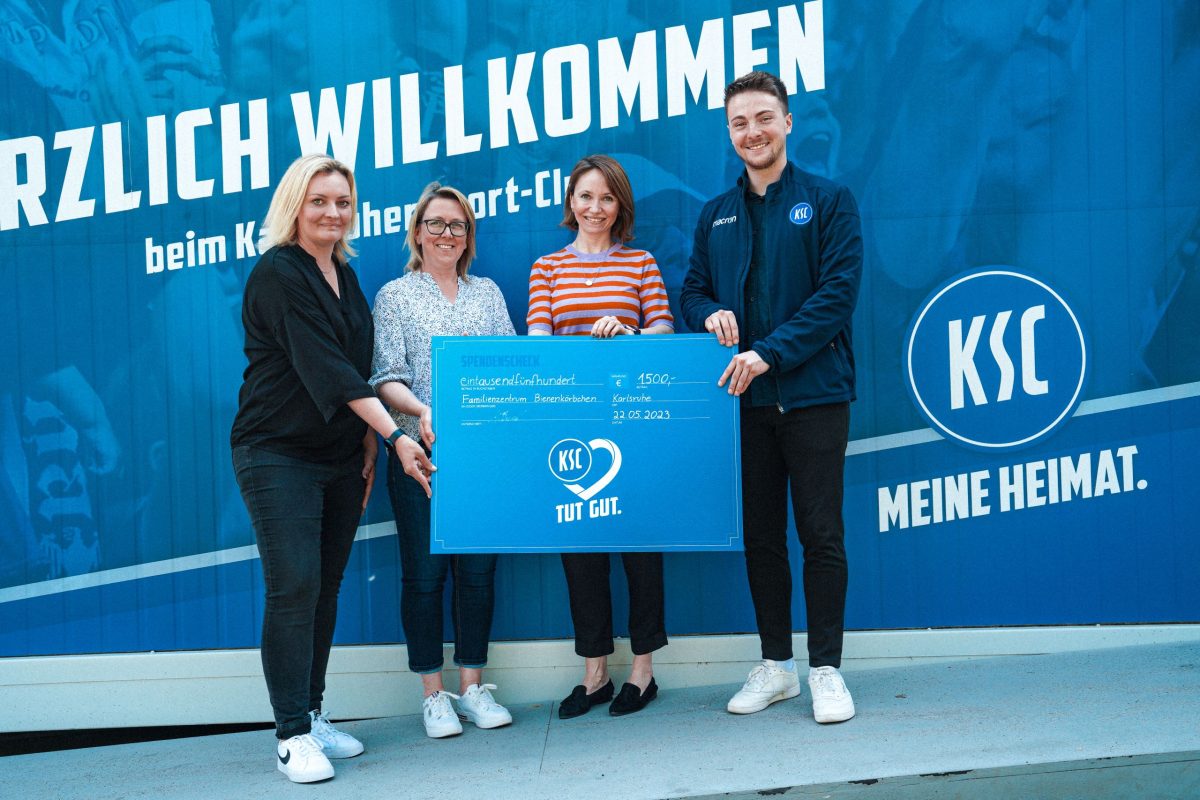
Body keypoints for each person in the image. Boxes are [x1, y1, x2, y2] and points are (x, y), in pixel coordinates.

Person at [231, 154, 434, 783]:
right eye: (318, 200)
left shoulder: (343, 272)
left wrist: (368, 444)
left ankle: (312, 714)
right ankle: (291, 734)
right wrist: (395, 438)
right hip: (277, 453)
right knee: (294, 586)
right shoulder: (278, 272)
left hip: (342, 457)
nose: (332, 212)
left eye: (342, 202)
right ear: (294, 205)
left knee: (323, 587)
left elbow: (359, 367)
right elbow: (326, 369)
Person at [679, 72, 863, 724]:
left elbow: (836, 297)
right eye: (739, 123)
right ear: (729, 134)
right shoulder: (716, 214)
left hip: (815, 398)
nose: (752, 132)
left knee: (821, 535)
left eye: (763, 118)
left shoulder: (829, 200)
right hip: (745, 407)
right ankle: (778, 666)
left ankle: (826, 670)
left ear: (786, 122)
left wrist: (769, 353)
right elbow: (692, 291)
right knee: (761, 539)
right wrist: (707, 314)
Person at [527, 154, 674, 718]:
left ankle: (643, 671)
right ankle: (594, 675)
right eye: (586, 196)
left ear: (620, 206)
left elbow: (663, 333)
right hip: (571, 425)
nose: (595, 207)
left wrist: (629, 333)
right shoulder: (547, 268)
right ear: (571, 202)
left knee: (641, 546)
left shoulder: (641, 263)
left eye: (607, 198)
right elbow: (539, 342)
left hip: (634, 423)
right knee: (580, 551)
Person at [370, 183, 516, 739]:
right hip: (418, 456)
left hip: (483, 460)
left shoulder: (488, 294)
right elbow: (385, 378)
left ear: (468, 235)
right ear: (417, 232)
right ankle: (434, 695)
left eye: (458, 225)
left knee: (478, 575)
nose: (446, 234)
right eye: (436, 223)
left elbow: (510, 365)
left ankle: (472, 687)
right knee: (424, 577)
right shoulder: (395, 296)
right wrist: (424, 409)